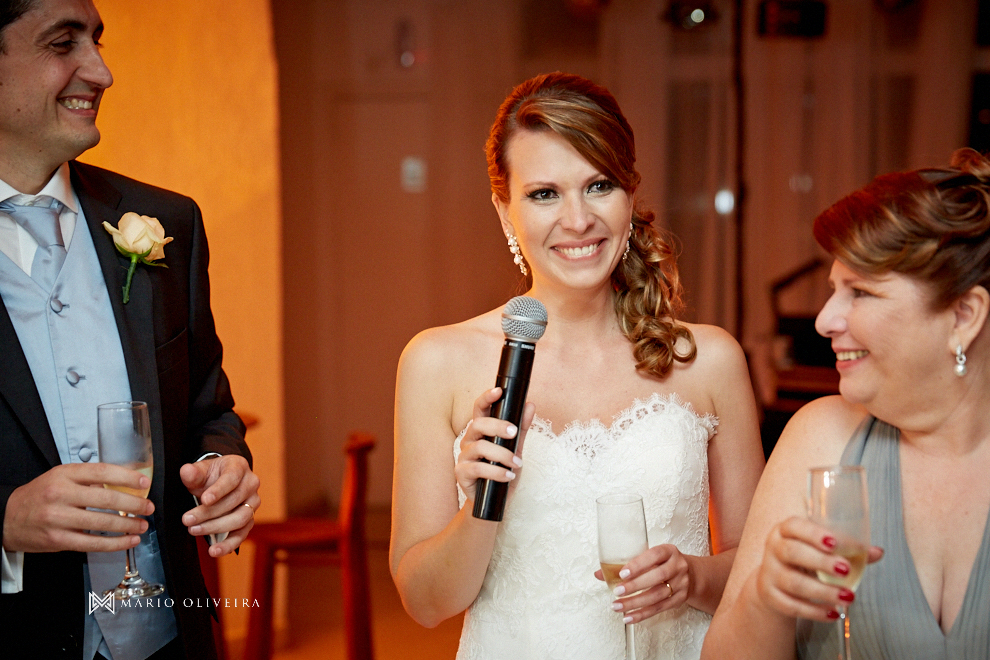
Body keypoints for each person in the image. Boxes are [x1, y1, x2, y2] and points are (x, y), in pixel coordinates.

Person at [389, 72, 765, 660]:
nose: (578, 220)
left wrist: (692, 578)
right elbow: (426, 604)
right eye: (544, 194)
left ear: (629, 194)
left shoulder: (709, 360)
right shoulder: (437, 362)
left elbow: (757, 569)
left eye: (599, 185)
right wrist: (481, 503)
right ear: (505, 210)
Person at [0, 1, 260, 658]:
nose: (102, 71)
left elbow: (209, 406)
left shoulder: (167, 219)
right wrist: (4, 523)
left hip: (168, 638)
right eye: (64, 44)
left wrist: (219, 465)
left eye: (98, 41)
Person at [702, 148, 990, 660]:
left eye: (860, 293)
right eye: (834, 290)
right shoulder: (821, 437)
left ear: (964, 314)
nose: (825, 320)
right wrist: (767, 597)